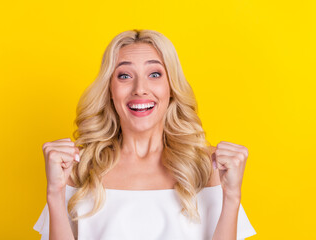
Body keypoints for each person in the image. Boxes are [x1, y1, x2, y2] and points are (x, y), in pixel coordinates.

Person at [33, 29, 257, 240]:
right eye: (124, 76)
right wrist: (54, 193)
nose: (140, 88)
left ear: (171, 88)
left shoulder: (210, 168)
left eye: (155, 73)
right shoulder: (78, 169)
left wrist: (232, 197)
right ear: (110, 90)